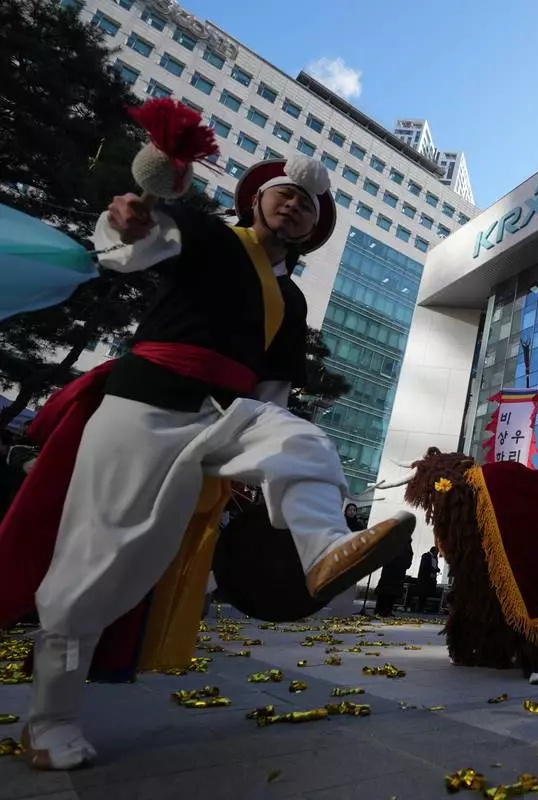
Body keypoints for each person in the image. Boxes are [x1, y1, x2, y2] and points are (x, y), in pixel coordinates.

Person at [0, 155, 412, 771]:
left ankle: (325, 547)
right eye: (285, 194)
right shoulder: (206, 233)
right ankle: (50, 717)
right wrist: (125, 224)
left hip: (229, 414)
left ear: (312, 229)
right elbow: (127, 250)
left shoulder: (292, 301)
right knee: (103, 564)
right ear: (256, 202)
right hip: (145, 403)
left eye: (308, 203)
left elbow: (273, 391)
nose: (295, 204)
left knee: (301, 441)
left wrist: (249, 468)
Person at [412, 545, 441, 613]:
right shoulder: (426, 556)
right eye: (437, 551)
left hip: (431, 579)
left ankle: (422, 608)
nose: (438, 553)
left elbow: (435, 566)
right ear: (434, 551)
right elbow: (424, 566)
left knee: (426, 595)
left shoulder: (435, 558)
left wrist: (437, 569)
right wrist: (434, 569)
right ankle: (419, 609)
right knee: (422, 594)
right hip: (424, 579)